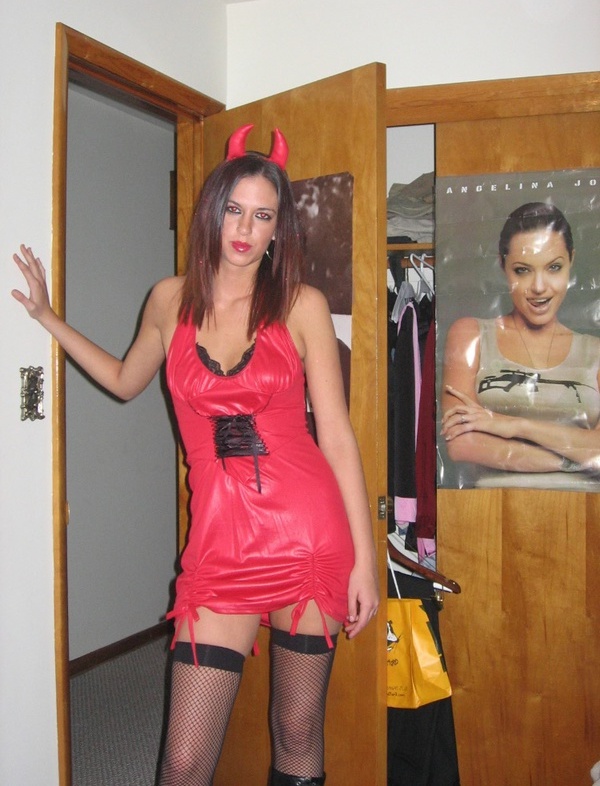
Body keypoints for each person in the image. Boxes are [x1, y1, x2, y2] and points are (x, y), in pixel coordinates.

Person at [12, 124, 379, 786]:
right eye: (234, 209)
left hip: (307, 535)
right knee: (182, 760)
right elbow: (124, 380)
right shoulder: (168, 298)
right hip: (221, 542)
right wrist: (47, 317)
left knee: (297, 729)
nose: (245, 228)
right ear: (212, 212)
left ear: (278, 230)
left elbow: (338, 438)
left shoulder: (302, 305)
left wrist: (365, 561)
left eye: (263, 215)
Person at [440, 201, 600, 489]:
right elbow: (461, 444)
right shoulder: (471, 334)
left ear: (571, 261)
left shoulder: (596, 352)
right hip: (493, 510)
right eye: (523, 270)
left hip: (585, 512)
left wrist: (513, 425)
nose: (539, 287)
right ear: (503, 266)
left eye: (554, 267)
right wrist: (572, 459)